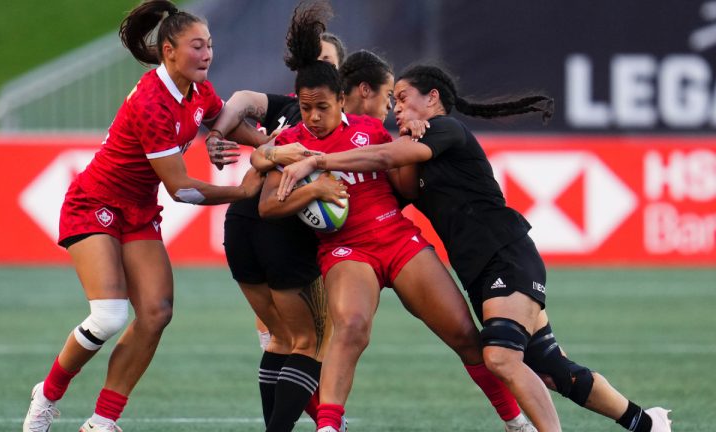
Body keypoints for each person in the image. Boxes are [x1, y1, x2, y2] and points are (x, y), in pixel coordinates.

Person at [277, 64, 674, 432]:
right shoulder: (416, 141)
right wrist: (279, 158)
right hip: (480, 272)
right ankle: (647, 423)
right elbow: (399, 186)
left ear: (432, 98)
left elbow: (384, 154)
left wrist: (318, 161)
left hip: (506, 254)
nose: (394, 108)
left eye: (402, 98)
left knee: (500, 357)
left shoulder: (447, 129)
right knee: (552, 369)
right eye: (393, 100)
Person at [254, 6, 547, 432]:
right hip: (346, 248)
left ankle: (515, 422)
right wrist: (312, 188)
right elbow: (267, 207)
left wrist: (410, 138)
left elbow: (405, 190)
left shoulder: (369, 132)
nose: (314, 117)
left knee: (465, 334)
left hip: (397, 237)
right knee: (352, 328)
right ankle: (329, 427)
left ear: (342, 99)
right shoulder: (291, 143)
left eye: (322, 107)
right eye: (306, 108)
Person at [21, 2, 263, 432]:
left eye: (209, 45)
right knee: (110, 316)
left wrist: (273, 144)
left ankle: (101, 421)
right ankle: (47, 395)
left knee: (156, 313)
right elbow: (182, 188)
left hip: (137, 210)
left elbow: (223, 119)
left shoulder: (196, 89)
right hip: (93, 203)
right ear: (169, 50)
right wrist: (241, 193)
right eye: (197, 46)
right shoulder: (153, 102)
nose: (207, 54)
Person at [204, 4, 345, 431]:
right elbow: (242, 101)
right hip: (277, 230)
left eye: (326, 64)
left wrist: (253, 144)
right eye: (312, 62)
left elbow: (246, 108)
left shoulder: (291, 116)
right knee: (311, 341)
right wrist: (220, 133)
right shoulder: (314, 120)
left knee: (282, 340)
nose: (317, 70)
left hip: (241, 226)